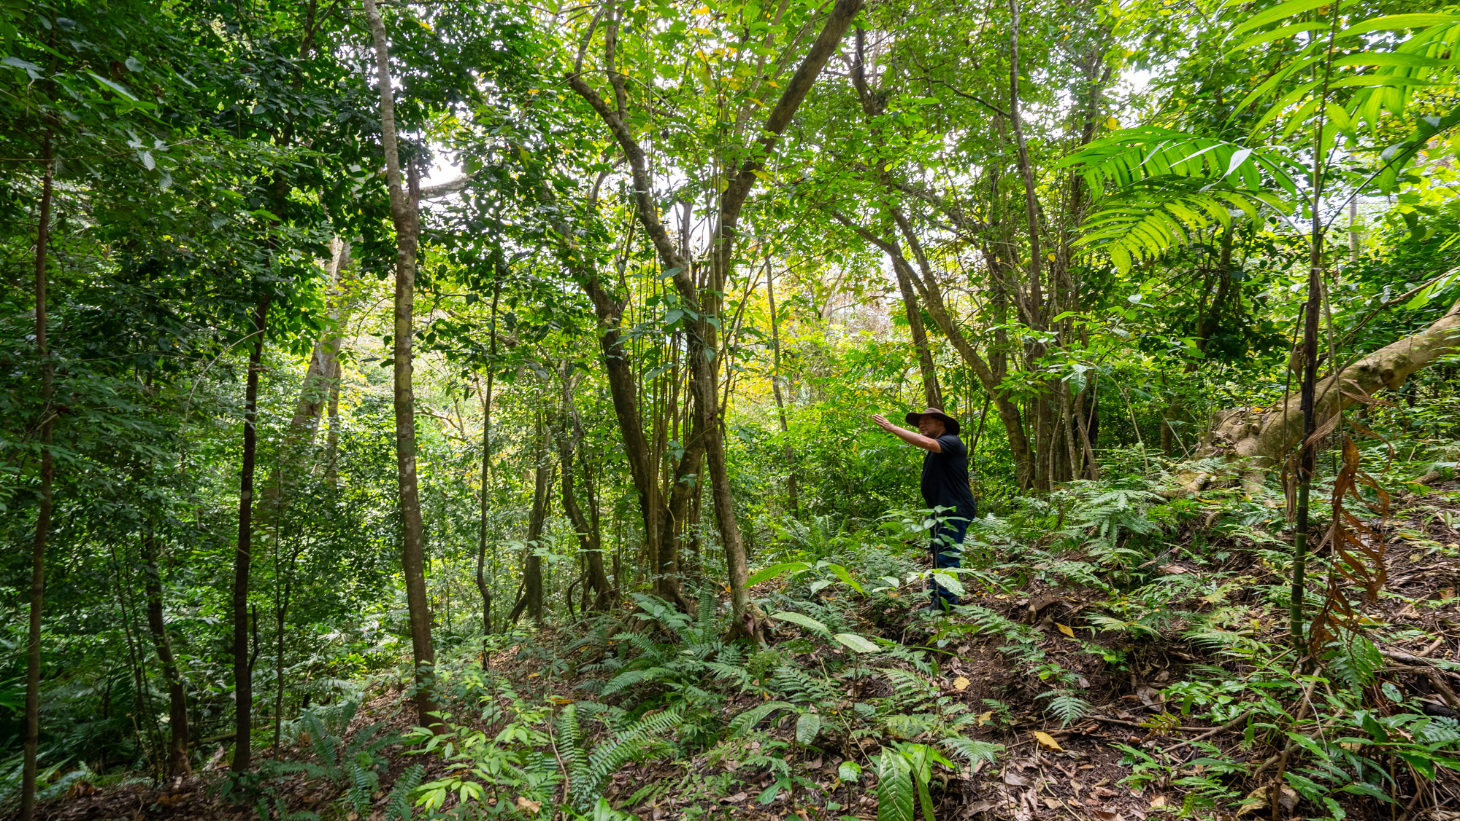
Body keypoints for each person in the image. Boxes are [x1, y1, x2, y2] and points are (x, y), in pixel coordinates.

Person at [872, 407, 977, 612]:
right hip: (940, 512)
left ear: (941, 424)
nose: (921, 425)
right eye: (920, 422)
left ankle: (946, 605)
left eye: (927, 421)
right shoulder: (937, 449)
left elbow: (927, 442)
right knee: (939, 554)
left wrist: (891, 427)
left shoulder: (951, 441)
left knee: (947, 554)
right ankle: (938, 598)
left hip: (955, 510)